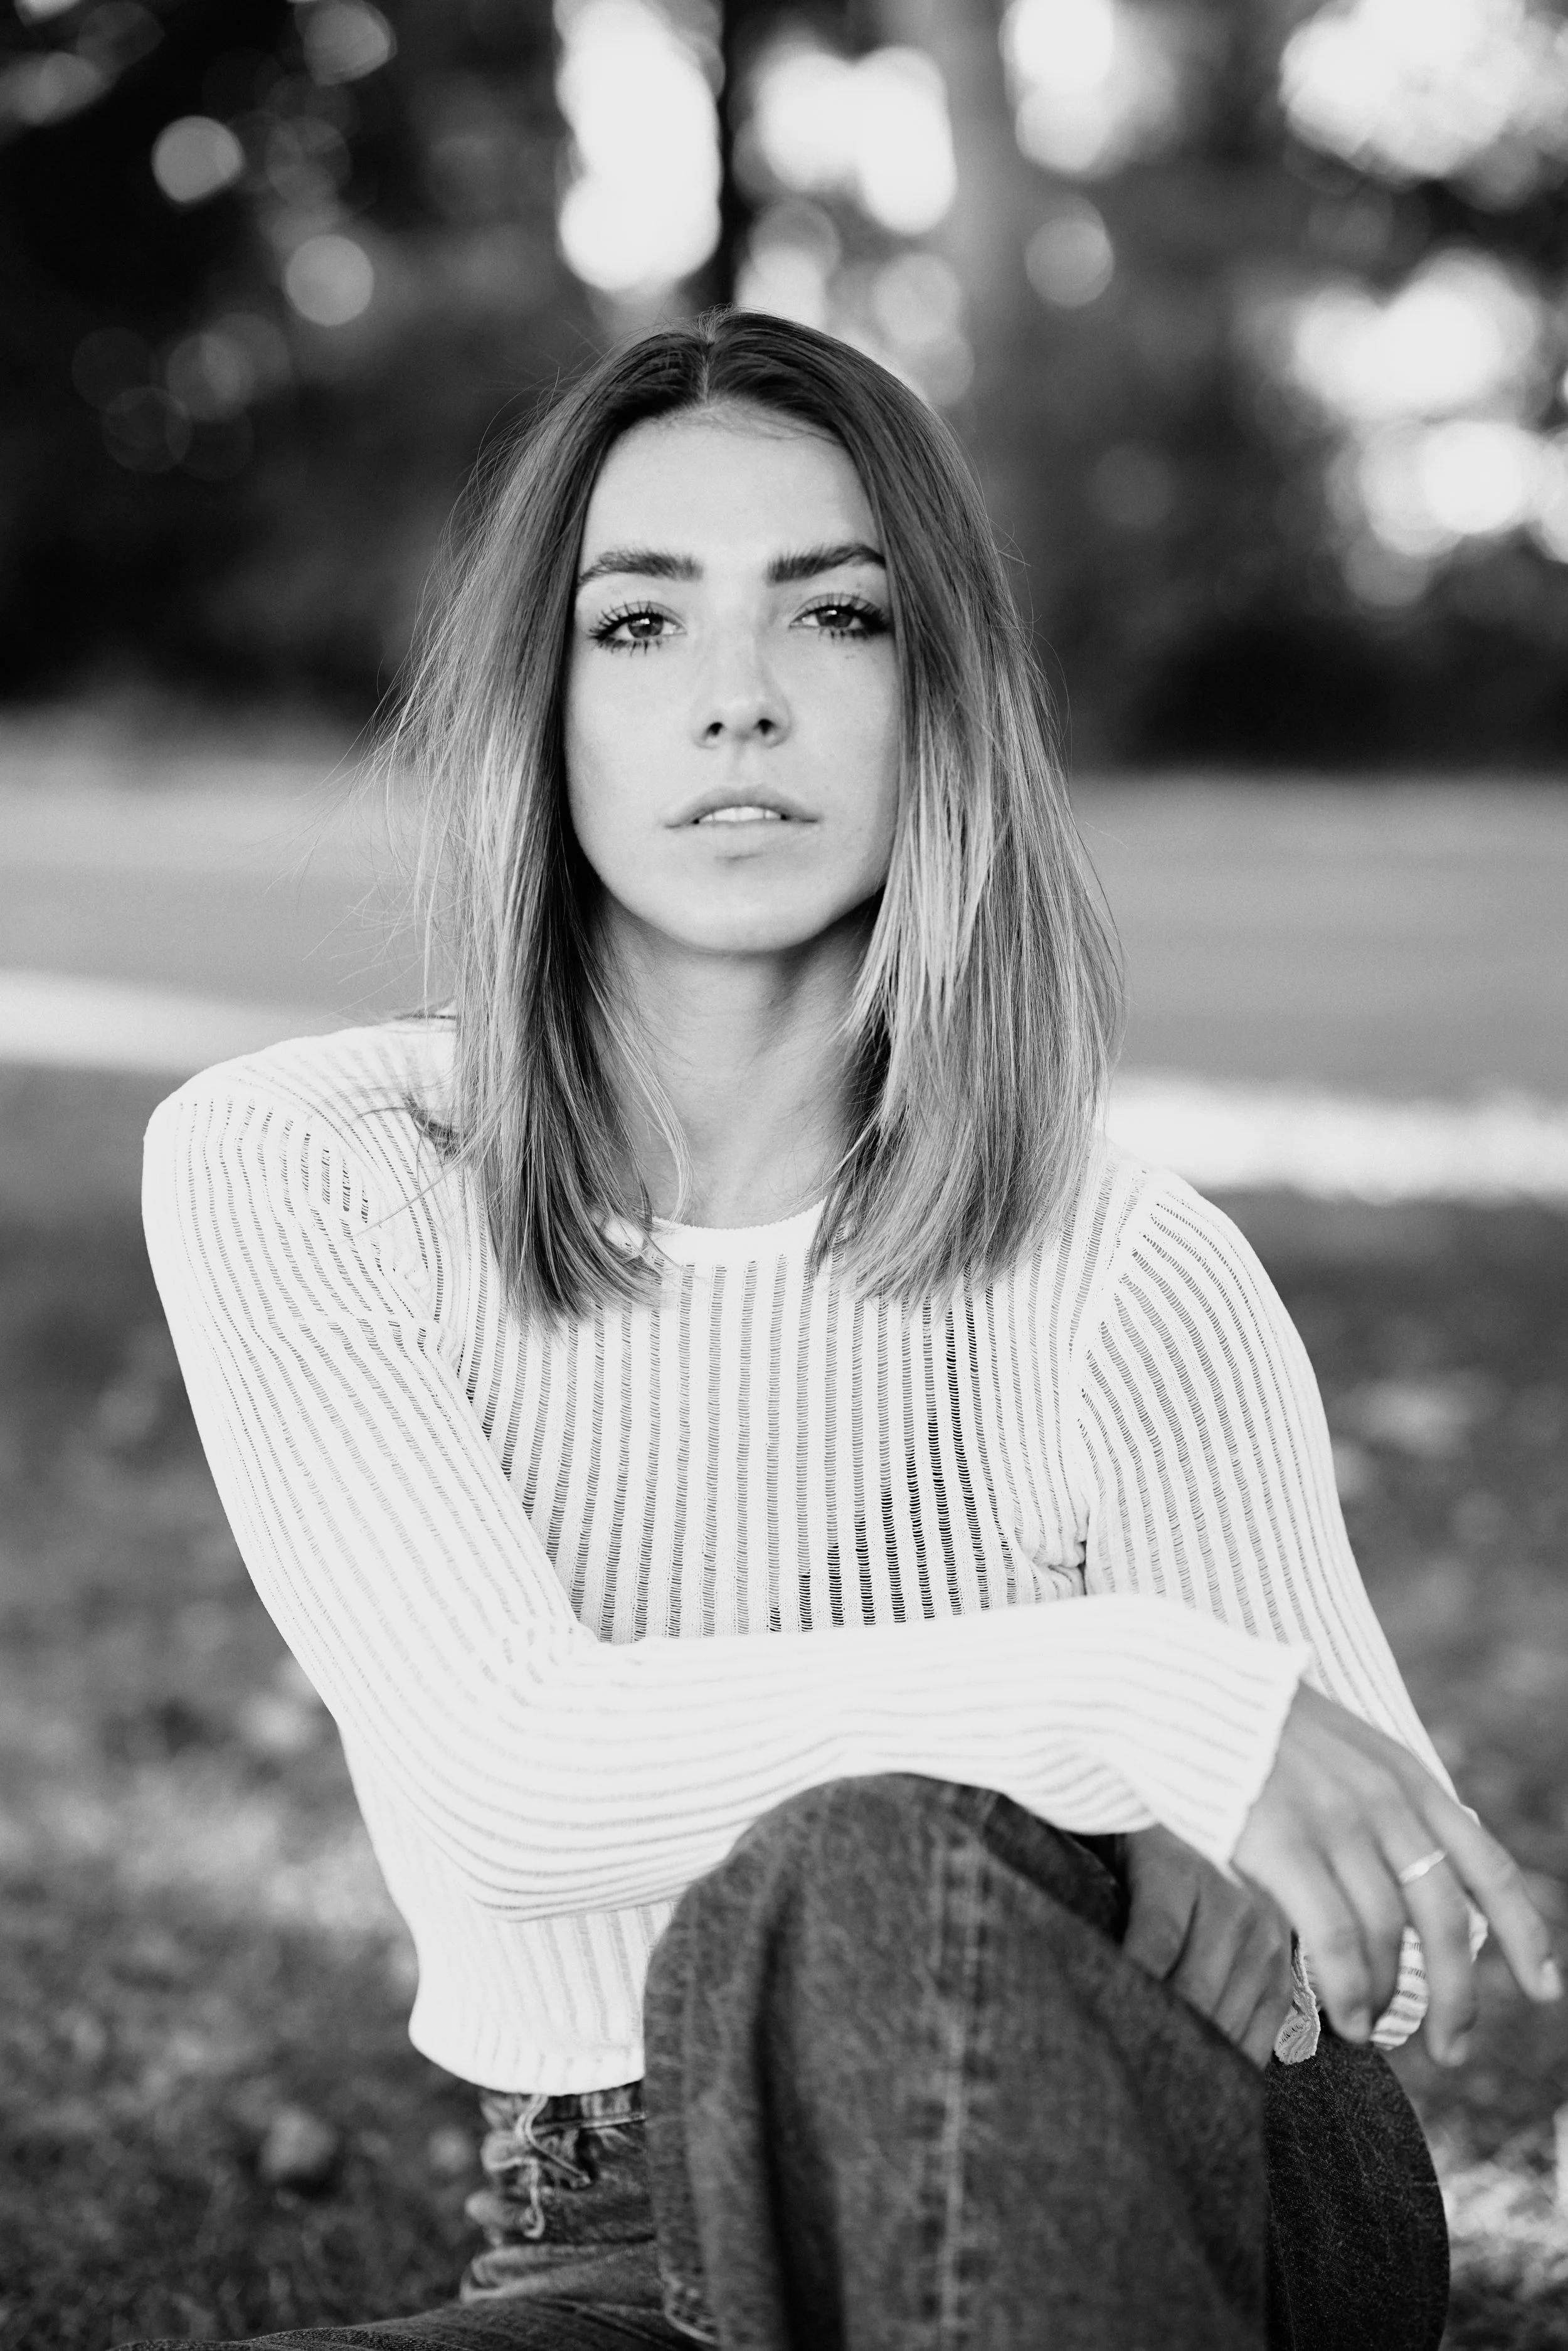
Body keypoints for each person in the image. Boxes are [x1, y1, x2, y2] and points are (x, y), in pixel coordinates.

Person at [137, 311, 1559, 2351]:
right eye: (637, 627)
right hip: (636, 2218)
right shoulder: (302, 1165)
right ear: (537, 710)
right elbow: (506, 1777)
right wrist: (1129, 1706)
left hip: (1187, 2170)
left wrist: (1027, 1848)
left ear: (938, 694)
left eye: (836, 617)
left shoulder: (1119, 1263)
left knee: (885, 1867)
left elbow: (1378, 1937)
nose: (736, 701)